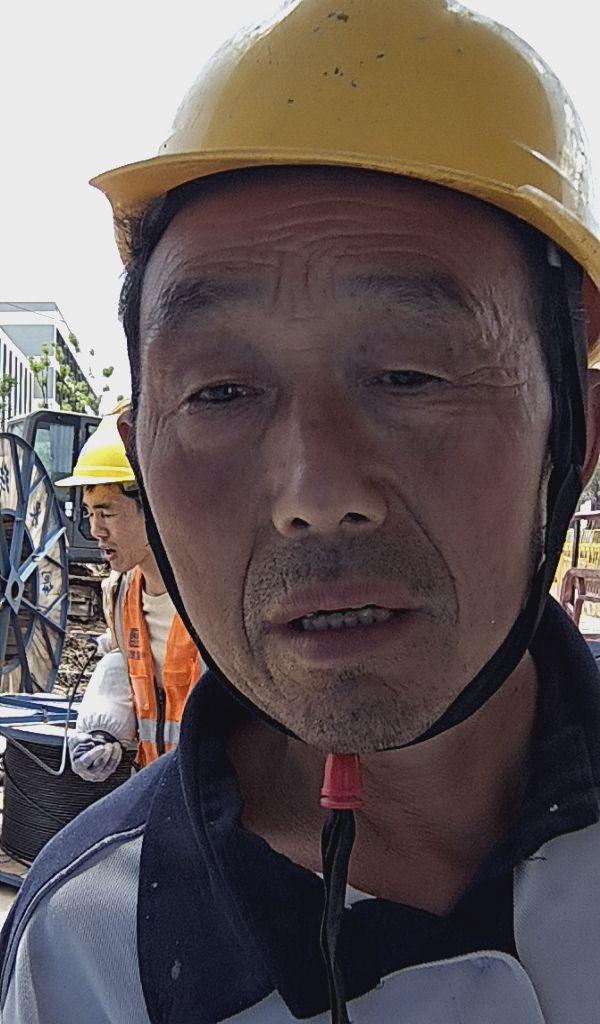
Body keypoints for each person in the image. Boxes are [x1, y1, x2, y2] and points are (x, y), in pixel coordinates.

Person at [2, 1, 600, 1021]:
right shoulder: (90, 951)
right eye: (221, 393)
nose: (317, 497)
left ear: (576, 438)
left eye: (410, 376)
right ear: (145, 449)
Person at [58, 404, 200, 777]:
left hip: (225, 797)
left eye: (107, 512)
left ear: (153, 505)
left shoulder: (213, 597)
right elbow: (123, 662)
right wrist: (105, 725)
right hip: (158, 788)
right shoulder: (121, 595)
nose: (95, 530)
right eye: (89, 513)